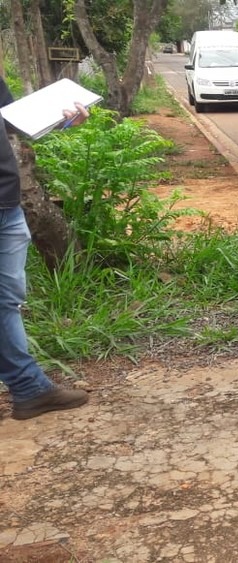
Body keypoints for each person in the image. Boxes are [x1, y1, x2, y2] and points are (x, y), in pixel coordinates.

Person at [1, 77, 90, 420]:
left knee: (6, 301)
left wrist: (59, 117)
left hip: (6, 202)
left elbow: (10, 118)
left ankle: (28, 388)